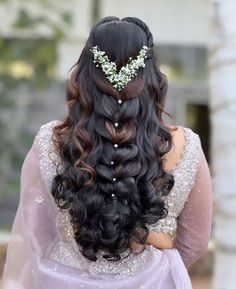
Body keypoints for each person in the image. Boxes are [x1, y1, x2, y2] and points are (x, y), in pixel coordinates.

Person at [2, 16, 212, 289]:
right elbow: (194, 243)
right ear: (151, 77)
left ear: (83, 75)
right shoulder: (187, 145)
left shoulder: (51, 140)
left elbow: (34, 234)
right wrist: (152, 269)